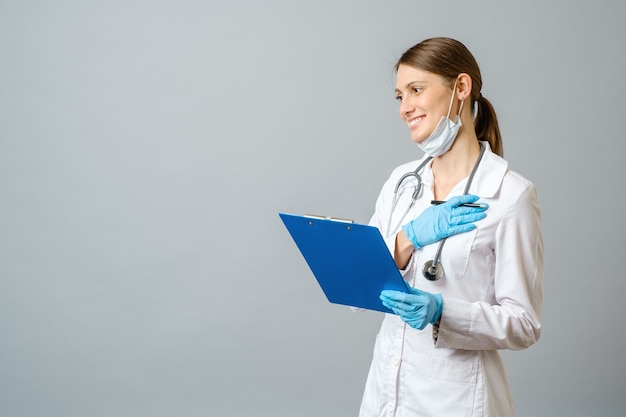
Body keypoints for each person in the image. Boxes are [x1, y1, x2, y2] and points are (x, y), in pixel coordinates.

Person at [359, 37, 543, 416]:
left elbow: (524, 324)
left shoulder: (510, 195)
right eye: (399, 96)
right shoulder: (401, 183)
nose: (404, 108)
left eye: (416, 90)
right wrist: (407, 239)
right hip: (386, 393)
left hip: (459, 400)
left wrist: (444, 311)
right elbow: (360, 286)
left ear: (461, 87)